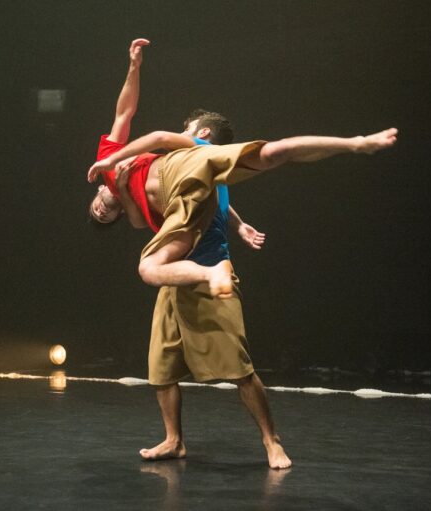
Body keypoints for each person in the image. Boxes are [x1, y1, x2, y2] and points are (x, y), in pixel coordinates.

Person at [95, 39, 290, 469]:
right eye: (99, 212)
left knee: (238, 368)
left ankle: (271, 440)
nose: (97, 206)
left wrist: (133, 67)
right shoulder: (125, 180)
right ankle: (173, 440)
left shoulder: (168, 157)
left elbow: (124, 112)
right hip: (175, 272)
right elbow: (136, 221)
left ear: (199, 135)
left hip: (210, 268)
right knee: (161, 368)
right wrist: (124, 194)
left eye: (97, 203)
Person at [88, 116, 398, 299]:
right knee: (278, 152)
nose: (184, 126)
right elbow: (217, 190)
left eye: (189, 124)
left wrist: (112, 159)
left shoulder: (193, 145)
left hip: (183, 185)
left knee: (147, 268)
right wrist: (238, 224)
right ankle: (356, 144)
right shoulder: (208, 159)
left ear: (202, 131)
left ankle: (210, 275)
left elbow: (153, 135)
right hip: (188, 204)